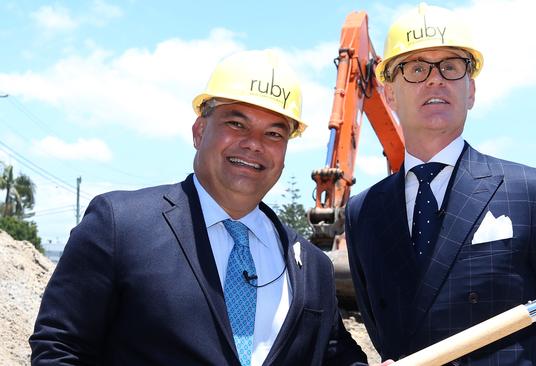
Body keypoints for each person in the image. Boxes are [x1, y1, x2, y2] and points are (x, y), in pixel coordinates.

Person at [30, 49, 367, 366]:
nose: (253, 144)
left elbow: (335, 356)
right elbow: (60, 350)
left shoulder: (313, 268)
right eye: (236, 124)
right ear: (199, 130)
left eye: (274, 133)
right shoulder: (120, 227)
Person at [345, 4, 536, 365]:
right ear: (391, 95)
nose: (435, 79)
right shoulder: (363, 211)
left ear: (470, 90)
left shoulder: (531, 192)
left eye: (450, 67)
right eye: (415, 69)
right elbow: (379, 327)